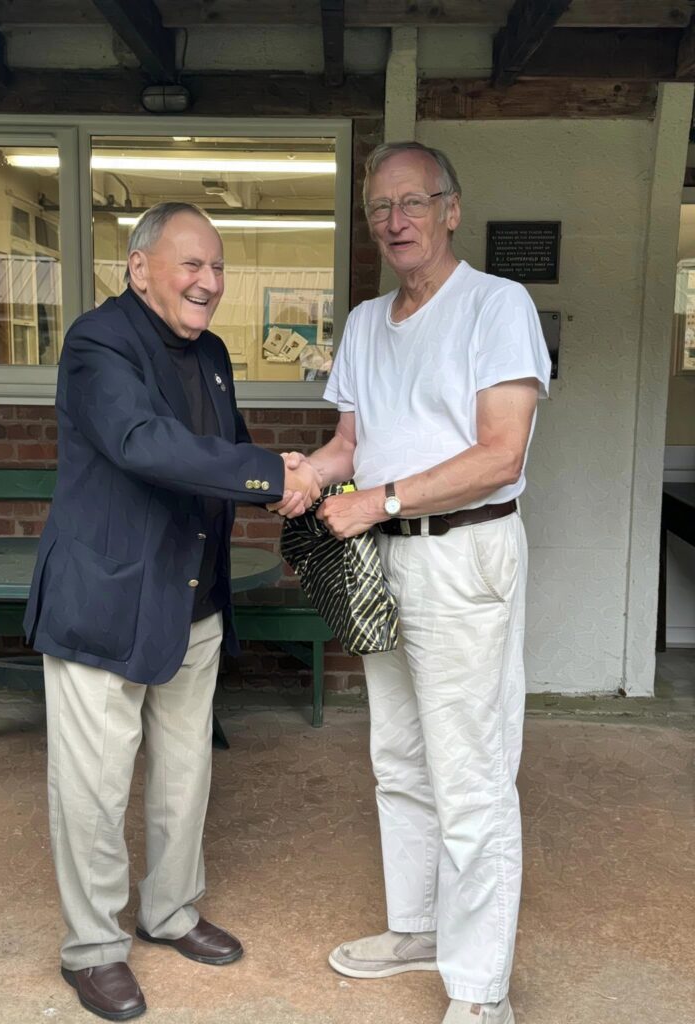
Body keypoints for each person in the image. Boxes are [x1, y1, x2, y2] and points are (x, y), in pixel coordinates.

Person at [24, 202, 319, 1022]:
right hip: (106, 601)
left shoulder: (215, 353)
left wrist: (283, 483)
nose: (209, 282)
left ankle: (171, 911)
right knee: (94, 786)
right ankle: (92, 950)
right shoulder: (97, 343)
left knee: (185, 774)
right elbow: (142, 443)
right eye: (190, 265)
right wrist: (270, 473)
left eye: (218, 267)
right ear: (139, 266)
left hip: (193, 598)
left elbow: (224, 454)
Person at [290, 141, 551, 1024]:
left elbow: (500, 453)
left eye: (413, 202)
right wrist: (309, 475)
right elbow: (350, 448)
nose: (395, 221)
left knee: (472, 772)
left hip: (463, 553)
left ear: (450, 209)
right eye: (378, 209)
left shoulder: (496, 305)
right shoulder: (367, 323)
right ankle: (420, 927)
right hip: (383, 557)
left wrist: (379, 503)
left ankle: (480, 993)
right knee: (399, 757)